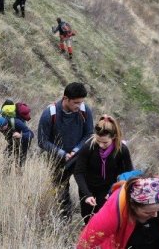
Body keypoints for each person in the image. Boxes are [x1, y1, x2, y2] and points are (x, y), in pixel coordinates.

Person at [37, 82, 94, 221]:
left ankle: (89, 220)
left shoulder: (85, 110)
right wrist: (62, 153)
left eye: (81, 102)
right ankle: (65, 219)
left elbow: (89, 134)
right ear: (65, 99)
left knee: (85, 186)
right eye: (76, 103)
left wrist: (76, 150)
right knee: (61, 189)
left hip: (79, 155)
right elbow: (42, 141)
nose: (79, 106)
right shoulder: (50, 113)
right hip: (57, 158)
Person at [74, 114, 133, 225]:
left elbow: (128, 174)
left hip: (108, 190)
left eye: (105, 142)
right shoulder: (88, 147)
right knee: (88, 219)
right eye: (98, 141)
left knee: (104, 221)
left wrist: (114, 191)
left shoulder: (122, 150)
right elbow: (78, 172)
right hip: (88, 188)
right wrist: (87, 194)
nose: (101, 145)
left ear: (114, 137)